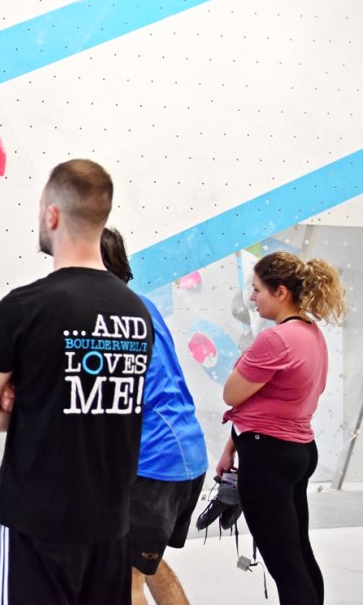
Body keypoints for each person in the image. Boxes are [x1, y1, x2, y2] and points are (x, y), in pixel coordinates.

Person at [0, 159, 152, 604]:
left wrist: (33, 404)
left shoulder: (24, 307)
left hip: (34, 523)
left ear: (52, 215)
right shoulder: (136, 313)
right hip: (109, 525)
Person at [216, 251, 346, 604]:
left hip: (268, 454)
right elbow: (270, 401)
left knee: (285, 565)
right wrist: (232, 445)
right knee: (299, 554)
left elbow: (232, 393)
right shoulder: (311, 333)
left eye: (258, 290)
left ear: (281, 292)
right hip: (298, 449)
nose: (252, 298)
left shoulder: (275, 340)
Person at [100, 227, 208, 605]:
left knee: (123, 581)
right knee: (147, 563)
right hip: (185, 453)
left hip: (154, 462)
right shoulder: (142, 304)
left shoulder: (105, 313)